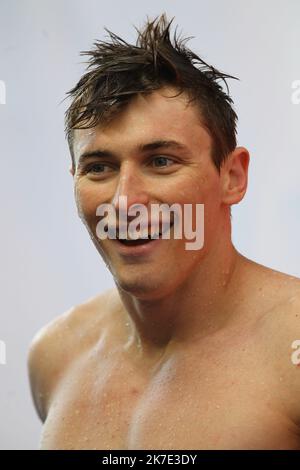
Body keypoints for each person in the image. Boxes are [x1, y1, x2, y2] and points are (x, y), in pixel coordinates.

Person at [27, 14, 300, 450]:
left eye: (160, 161)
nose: (125, 202)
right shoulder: (55, 356)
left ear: (232, 177)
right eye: (99, 168)